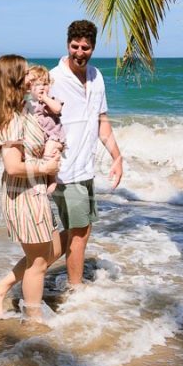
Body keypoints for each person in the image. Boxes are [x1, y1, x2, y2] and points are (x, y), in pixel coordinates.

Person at [0, 54, 63, 321]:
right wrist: (46, 168)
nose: (31, 74)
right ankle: (34, 320)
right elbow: (13, 167)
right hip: (24, 195)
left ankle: (0, 288)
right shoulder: (10, 120)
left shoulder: (24, 110)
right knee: (39, 263)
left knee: (49, 251)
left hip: (35, 191)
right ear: (15, 79)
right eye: (26, 71)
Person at [49, 20, 123, 290]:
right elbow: (35, 121)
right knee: (79, 233)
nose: (79, 52)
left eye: (85, 47)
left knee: (78, 232)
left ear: (93, 47)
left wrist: (117, 157)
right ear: (67, 44)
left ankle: (23, 274)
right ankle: (75, 288)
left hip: (86, 168)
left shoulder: (96, 76)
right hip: (65, 169)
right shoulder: (52, 79)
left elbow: (102, 121)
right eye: (74, 46)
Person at [25, 65, 66, 195]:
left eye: (45, 84)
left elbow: (58, 109)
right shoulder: (29, 104)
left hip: (54, 137)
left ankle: (52, 179)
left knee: (48, 152)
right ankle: (36, 182)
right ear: (29, 88)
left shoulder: (51, 102)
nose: (42, 87)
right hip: (42, 139)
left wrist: (46, 99)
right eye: (37, 84)